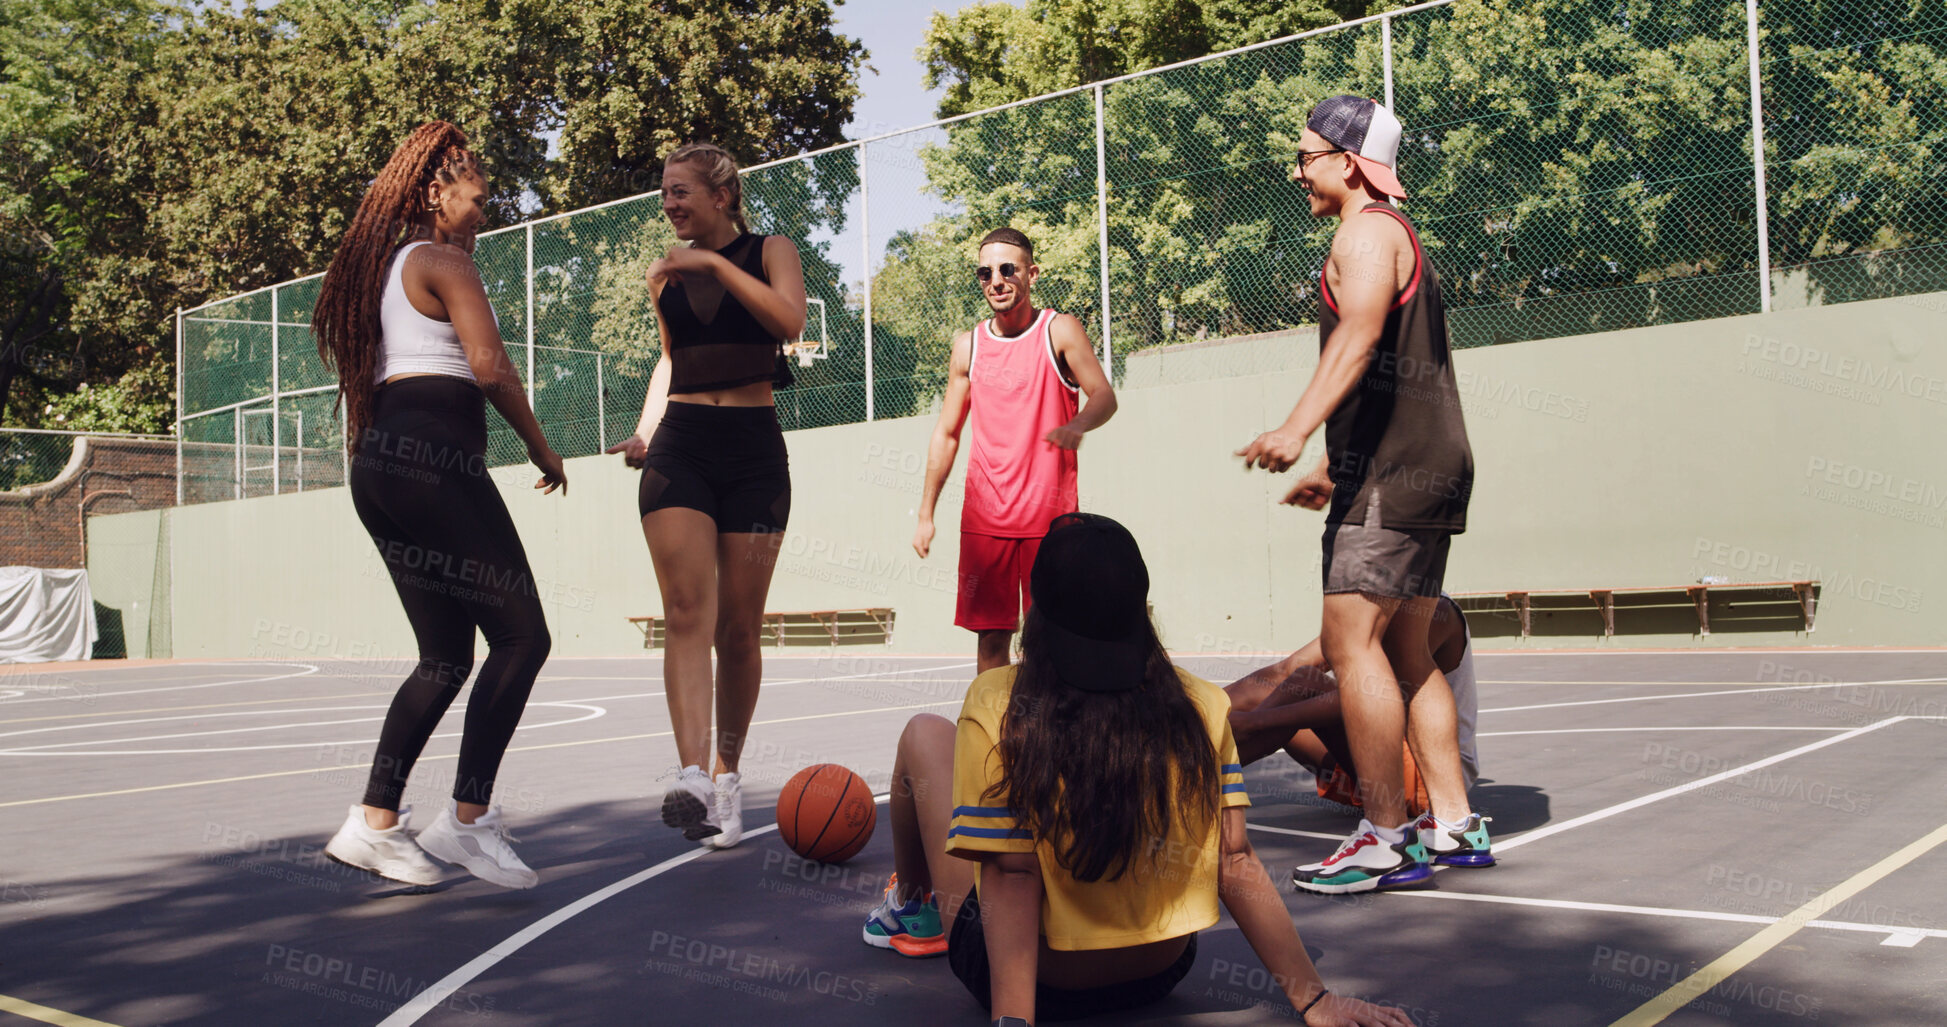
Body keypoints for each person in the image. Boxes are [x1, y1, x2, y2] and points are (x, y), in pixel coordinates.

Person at [863, 513, 1416, 1027]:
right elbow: (1234, 859)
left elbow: (1014, 875)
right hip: (1159, 970)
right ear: (1141, 608)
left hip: (1047, 982)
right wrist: (1315, 999)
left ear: (1037, 611)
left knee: (923, 734)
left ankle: (912, 908)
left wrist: (1014, 1021)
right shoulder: (1201, 704)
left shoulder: (998, 702)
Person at [1237, 96, 1490, 895]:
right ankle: (1453, 822)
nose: (1297, 172)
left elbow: (1361, 332)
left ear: (1347, 162)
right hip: (1416, 467)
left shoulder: (1365, 233)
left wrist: (1295, 425)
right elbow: (1387, 377)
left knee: (1349, 645)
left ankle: (1384, 836)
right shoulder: (1394, 232)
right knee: (1410, 652)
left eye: (1305, 155)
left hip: (1392, 475)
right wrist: (1329, 463)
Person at [313, 121, 565, 889]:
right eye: (477, 198)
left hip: (378, 469)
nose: (484, 213)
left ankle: (373, 823)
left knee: (446, 655)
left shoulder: (386, 268)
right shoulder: (444, 260)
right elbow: (489, 368)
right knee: (522, 636)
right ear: (434, 192)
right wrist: (541, 447)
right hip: (431, 463)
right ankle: (468, 820)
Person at [605, 143, 805, 850]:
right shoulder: (662, 274)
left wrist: (717, 266)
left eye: (681, 191)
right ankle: (690, 774)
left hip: (753, 452)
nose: (669, 204)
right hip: (681, 446)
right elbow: (670, 360)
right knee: (688, 611)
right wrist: (644, 430)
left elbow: (789, 322)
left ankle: (726, 776)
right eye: (664, 193)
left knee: (739, 630)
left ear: (721, 196)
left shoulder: (771, 250)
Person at [912, 228, 1117, 674]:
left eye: (1008, 269)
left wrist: (1078, 424)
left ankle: (1057, 723)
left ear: (1032, 273)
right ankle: (995, 722)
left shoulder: (1059, 330)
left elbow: (1104, 395)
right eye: (985, 273)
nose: (996, 281)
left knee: (1052, 643)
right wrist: (926, 513)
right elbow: (947, 433)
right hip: (985, 522)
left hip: (1050, 521)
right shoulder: (968, 346)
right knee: (991, 645)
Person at [1225, 596, 1483, 846]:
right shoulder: (1379, 607)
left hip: (1426, 780)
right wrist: (1205, 708)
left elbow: (1373, 700)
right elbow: (1286, 670)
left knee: (1300, 691)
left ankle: (1206, 782)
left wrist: (1256, 722)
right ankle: (1203, 769)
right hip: (1375, 764)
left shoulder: (1434, 613)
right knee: (1279, 688)